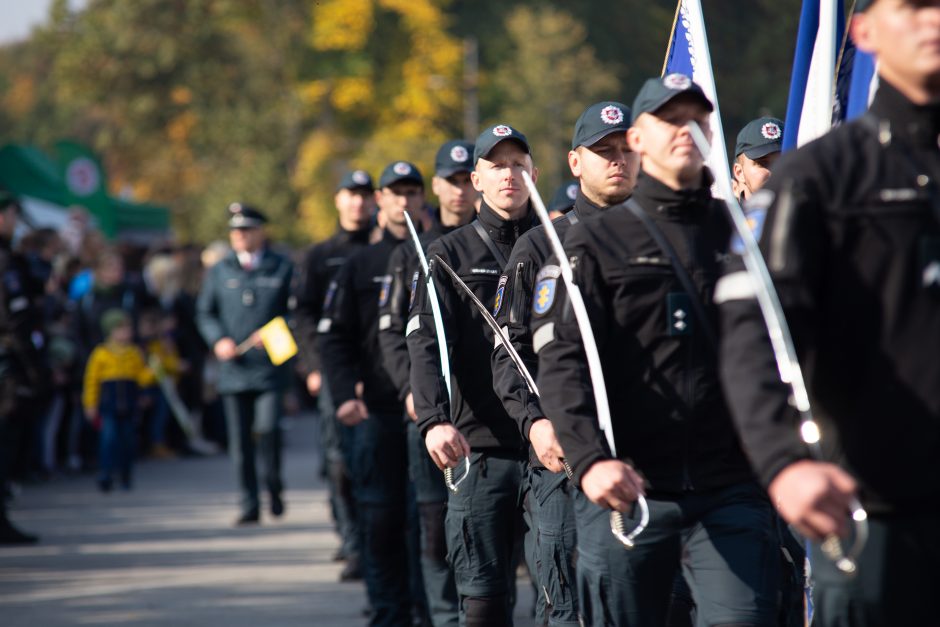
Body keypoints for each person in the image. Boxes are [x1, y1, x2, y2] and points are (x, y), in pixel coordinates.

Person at [718, 1, 940, 624]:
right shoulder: (819, 176)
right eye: (914, 7)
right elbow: (753, 328)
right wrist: (784, 462)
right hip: (874, 516)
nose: (933, 22)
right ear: (862, 32)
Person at [532, 75, 780, 626]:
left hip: (731, 486)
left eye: (696, 118)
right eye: (669, 119)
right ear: (638, 139)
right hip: (628, 485)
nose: (684, 130)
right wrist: (590, 459)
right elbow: (562, 361)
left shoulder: (747, 236)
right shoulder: (590, 242)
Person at [490, 101, 637, 627]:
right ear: (575, 162)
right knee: (565, 603)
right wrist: (536, 423)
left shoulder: (662, 235)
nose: (617, 160)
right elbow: (509, 352)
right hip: (563, 458)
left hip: (650, 456)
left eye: (625, 149)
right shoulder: (540, 245)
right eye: (603, 152)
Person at [407, 124, 539, 627]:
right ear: (477, 179)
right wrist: (433, 419)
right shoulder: (448, 255)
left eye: (518, 163)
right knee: (483, 600)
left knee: (560, 592)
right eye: (496, 165)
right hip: (478, 449)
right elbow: (423, 342)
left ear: (535, 173)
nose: (509, 174)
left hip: (551, 448)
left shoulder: (559, 244)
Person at [319, 160, 427, 627]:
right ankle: (389, 611)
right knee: (381, 519)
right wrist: (344, 394)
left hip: (431, 414)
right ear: (380, 199)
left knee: (426, 526)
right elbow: (331, 335)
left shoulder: (439, 252)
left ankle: (427, 612)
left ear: (424, 199)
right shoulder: (360, 263)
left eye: (412, 192)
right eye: (394, 193)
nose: (404, 201)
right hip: (378, 410)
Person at [378, 140, 476, 627]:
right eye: (450, 182)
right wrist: (415, 396)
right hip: (434, 412)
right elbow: (396, 335)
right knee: (435, 527)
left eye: (466, 179)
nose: (459, 191)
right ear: (435, 188)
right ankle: (441, 616)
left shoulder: (506, 242)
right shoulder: (412, 253)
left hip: (487, 416)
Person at [293, 170, 375, 579]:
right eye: (350, 194)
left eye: (364, 195)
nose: (358, 203)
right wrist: (313, 366)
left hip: (381, 374)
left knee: (378, 461)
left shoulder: (387, 248)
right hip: (335, 373)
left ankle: (378, 545)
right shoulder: (320, 256)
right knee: (340, 461)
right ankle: (353, 540)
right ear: (337, 200)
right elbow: (304, 315)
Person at [196, 203, 294, 525]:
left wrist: (277, 331)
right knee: (240, 441)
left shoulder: (282, 267)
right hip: (233, 370)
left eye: (246, 230)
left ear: (260, 232)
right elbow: (205, 312)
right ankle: (249, 503)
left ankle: (274, 485)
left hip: (269, 369)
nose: (239, 236)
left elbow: (297, 311)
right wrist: (218, 340)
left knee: (267, 431)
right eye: (235, 231)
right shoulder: (220, 270)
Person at [0, 192, 47, 544]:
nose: (14, 223)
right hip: (8, 364)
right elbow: (15, 319)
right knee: (7, 440)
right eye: (12, 216)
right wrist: (33, 369)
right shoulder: (5, 261)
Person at [82, 309, 153, 491]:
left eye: (128, 328)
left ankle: (126, 474)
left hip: (129, 405)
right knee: (108, 440)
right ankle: (105, 473)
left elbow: (141, 377)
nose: (126, 332)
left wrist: (153, 373)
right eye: (121, 329)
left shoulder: (133, 353)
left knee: (128, 441)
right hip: (109, 405)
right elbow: (91, 381)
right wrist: (90, 404)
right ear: (110, 331)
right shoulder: (101, 354)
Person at [731, 117, 784, 202]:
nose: (774, 171)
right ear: (739, 172)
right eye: (763, 163)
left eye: (782, 162)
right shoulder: (726, 215)